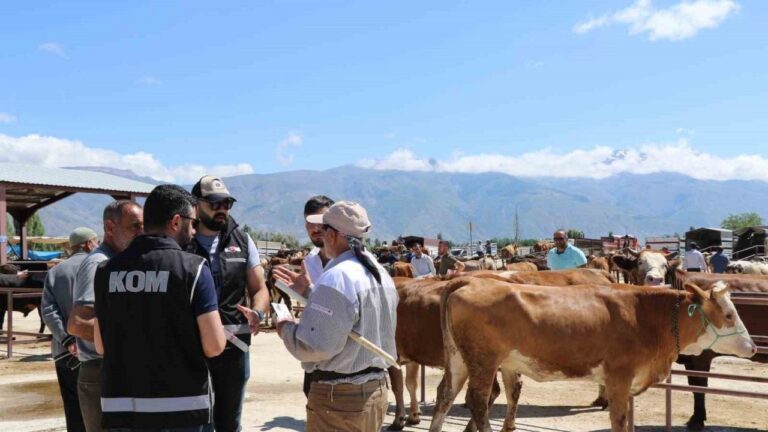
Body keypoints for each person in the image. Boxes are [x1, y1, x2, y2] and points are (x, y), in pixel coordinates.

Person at [93, 184, 226, 431]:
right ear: (176, 221)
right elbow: (214, 345)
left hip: (122, 407)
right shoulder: (193, 269)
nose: (195, 230)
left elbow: (100, 346)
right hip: (182, 409)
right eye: (193, 223)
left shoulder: (105, 271)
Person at [270, 201, 398, 432]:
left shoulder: (337, 277)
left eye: (324, 230)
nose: (320, 235)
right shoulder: (380, 273)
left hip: (339, 399)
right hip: (375, 390)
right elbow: (353, 319)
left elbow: (315, 346)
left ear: (333, 235)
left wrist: (284, 326)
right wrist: (309, 293)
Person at [188, 175, 269, 432]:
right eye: (214, 203)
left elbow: (259, 288)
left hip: (234, 347)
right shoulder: (181, 243)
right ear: (196, 204)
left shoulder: (243, 241)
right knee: (195, 420)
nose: (222, 208)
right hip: (190, 346)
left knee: (229, 420)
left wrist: (258, 311)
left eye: (227, 203)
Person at [68, 200, 144, 432]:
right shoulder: (99, 264)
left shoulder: (120, 260)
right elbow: (78, 323)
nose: (141, 233)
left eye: (143, 226)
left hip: (114, 367)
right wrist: (130, 342)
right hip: (99, 370)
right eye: (134, 226)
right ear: (110, 228)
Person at [272, 195, 335, 397]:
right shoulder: (310, 261)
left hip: (346, 359)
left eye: (320, 222)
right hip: (314, 356)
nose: (315, 228)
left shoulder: (350, 262)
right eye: (309, 222)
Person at [41, 227, 99, 432]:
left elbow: (48, 310)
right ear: (89, 244)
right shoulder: (99, 266)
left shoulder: (55, 272)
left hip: (64, 354)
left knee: (73, 410)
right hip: (96, 353)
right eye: (96, 241)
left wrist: (67, 341)